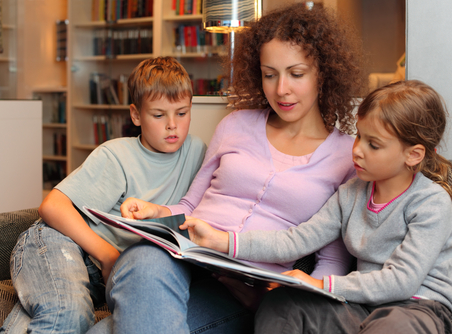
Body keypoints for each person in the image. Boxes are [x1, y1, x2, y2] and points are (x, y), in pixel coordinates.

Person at [88, 4, 364, 334]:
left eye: (296, 74)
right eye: (269, 74)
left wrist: (279, 302)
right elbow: (190, 207)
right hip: (180, 258)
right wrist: (155, 211)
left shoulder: (348, 156)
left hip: (241, 289)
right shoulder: (235, 124)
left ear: (323, 72)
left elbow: (331, 263)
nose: (281, 90)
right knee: (143, 259)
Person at [183, 80, 452, 334]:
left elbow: (402, 281)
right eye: (359, 136)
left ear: (413, 155)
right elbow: (297, 240)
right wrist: (223, 241)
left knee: (392, 329)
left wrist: (323, 284)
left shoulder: (431, 202)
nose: (357, 150)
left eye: (374, 144)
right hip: (361, 306)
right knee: (281, 304)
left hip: (417, 306)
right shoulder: (351, 194)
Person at [0, 56, 207, 334]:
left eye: (182, 113)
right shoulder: (117, 154)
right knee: (68, 317)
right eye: (158, 115)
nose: (172, 125)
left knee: (50, 319)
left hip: (106, 277)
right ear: (135, 115)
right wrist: (109, 256)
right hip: (59, 243)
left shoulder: (198, 152)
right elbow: (52, 206)